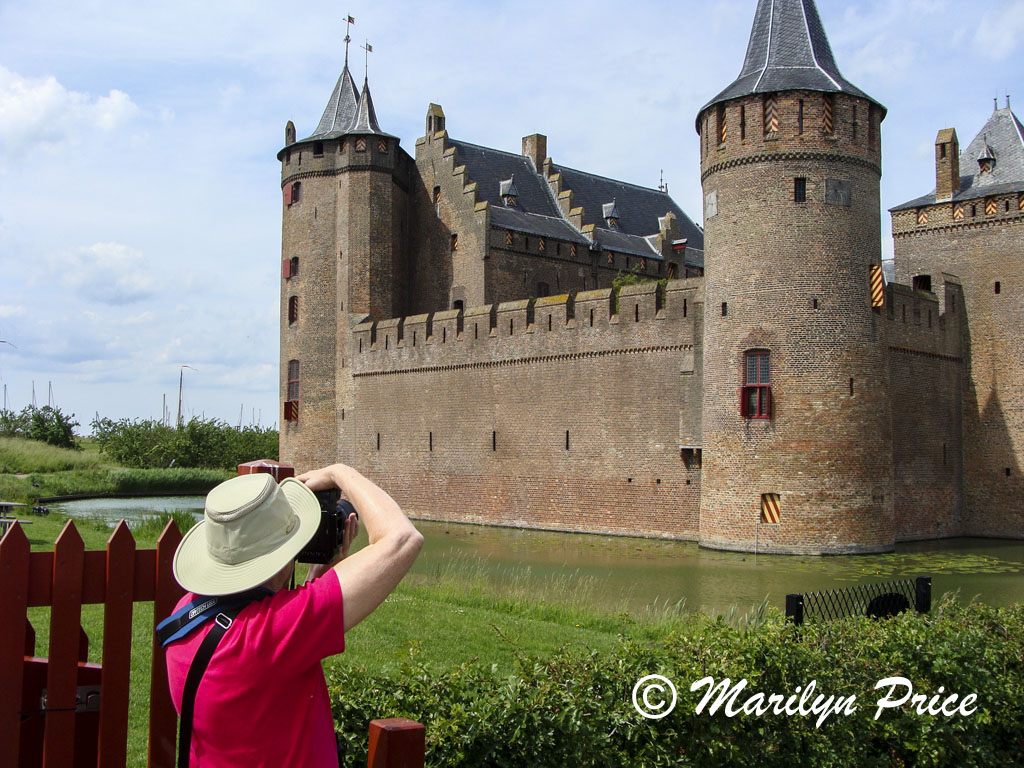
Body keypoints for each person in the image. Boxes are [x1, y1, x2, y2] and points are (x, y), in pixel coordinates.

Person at [163, 463, 423, 767]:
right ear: (283, 554)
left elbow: (267, 677)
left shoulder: (185, 612)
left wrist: (318, 576)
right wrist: (341, 473)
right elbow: (402, 539)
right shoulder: (272, 634)